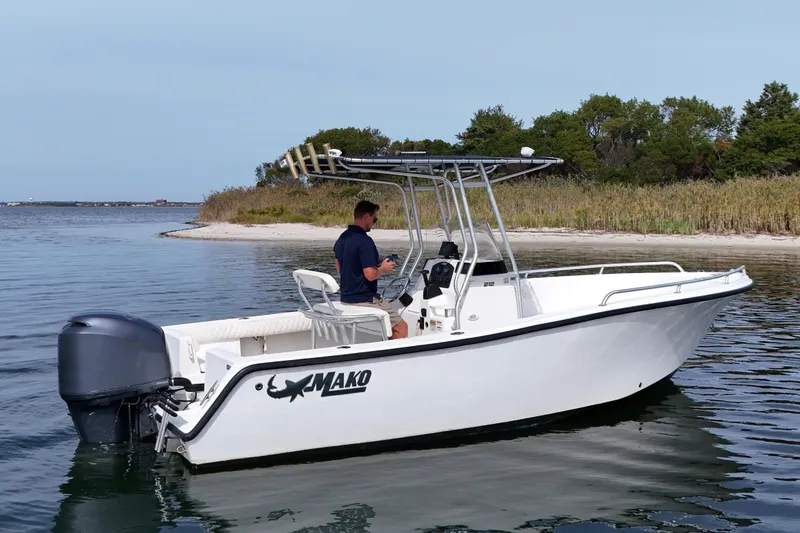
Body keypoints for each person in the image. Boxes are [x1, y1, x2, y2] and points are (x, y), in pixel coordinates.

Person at [333, 200, 408, 340]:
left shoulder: (342, 238)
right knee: (401, 327)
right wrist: (383, 269)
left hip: (346, 297)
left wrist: (377, 260)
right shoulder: (365, 241)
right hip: (364, 298)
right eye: (375, 218)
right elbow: (370, 275)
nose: (374, 222)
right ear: (366, 216)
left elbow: (340, 268)